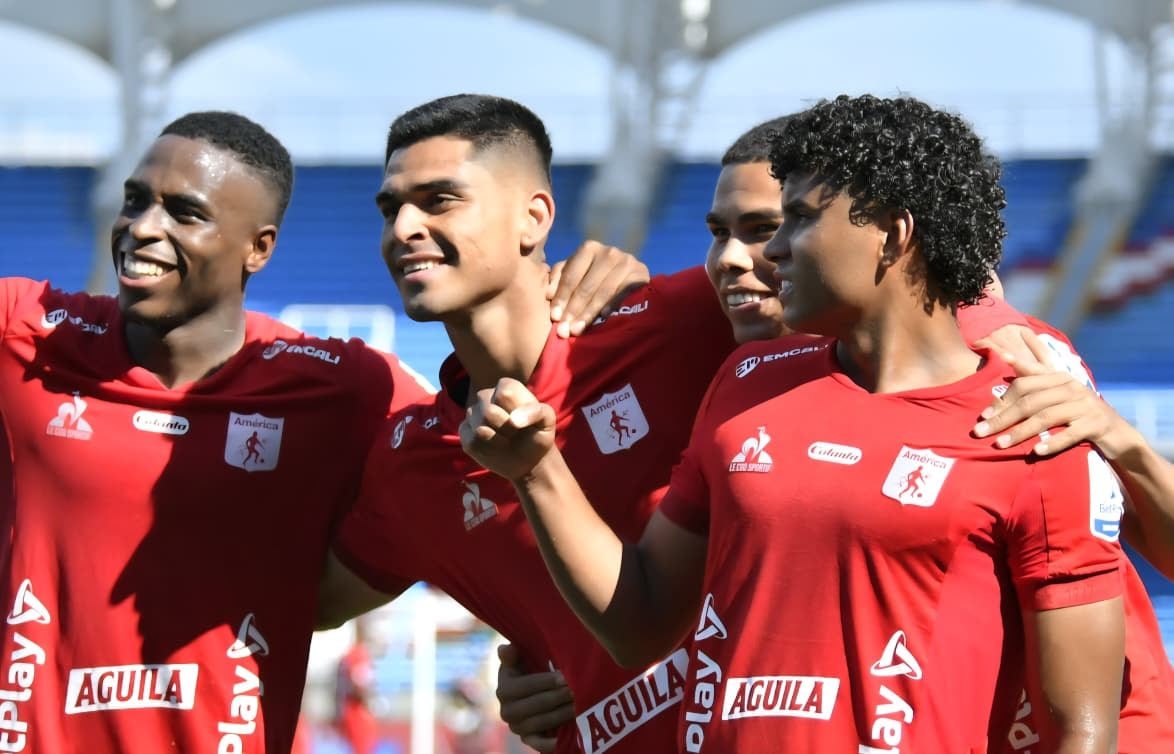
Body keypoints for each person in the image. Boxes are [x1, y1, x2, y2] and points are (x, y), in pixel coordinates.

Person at [461, 95, 1127, 752]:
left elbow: (1083, 733)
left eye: (799, 219)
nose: (775, 247)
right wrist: (536, 470)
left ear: (892, 235)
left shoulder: (1033, 417)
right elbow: (639, 624)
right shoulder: (747, 383)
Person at [316, 93, 740, 754]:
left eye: (439, 200)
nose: (402, 228)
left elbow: (897, 321)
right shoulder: (413, 466)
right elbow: (297, 603)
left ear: (533, 217)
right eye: (390, 208)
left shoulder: (691, 322)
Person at [0, 111, 435, 753]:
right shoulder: (27, 332)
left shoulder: (343, 386)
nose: (142, 228)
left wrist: (550, 659)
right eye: (135, 200)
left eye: (185, 212)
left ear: (257, 248)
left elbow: (471, 468)